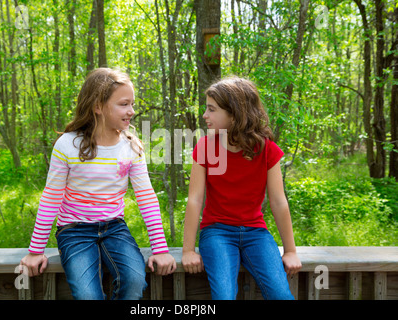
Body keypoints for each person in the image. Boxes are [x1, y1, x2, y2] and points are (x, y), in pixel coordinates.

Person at [20, 68, 176, 300]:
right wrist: (35, 251)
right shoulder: (67, 145)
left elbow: (146, 197)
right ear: (98, 106)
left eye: (132, 104)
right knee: (87, 294)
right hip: (74, 231)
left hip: (114, 227)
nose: (131, 111)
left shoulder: (131, 147)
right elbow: (51, 198)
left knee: (134, 280)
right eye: (124, 104)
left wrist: (161, 249)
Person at [181, 76, 301, 300]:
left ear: (234, 113)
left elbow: (278, 201)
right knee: (224, 296)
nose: (205, 115)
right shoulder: (206, 146)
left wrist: (291, 251)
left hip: (256, 233)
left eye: (211, 109)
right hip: (217, 232)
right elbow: (195, 199)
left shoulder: (266, 149)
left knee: (280, 294)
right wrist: (188, 250)